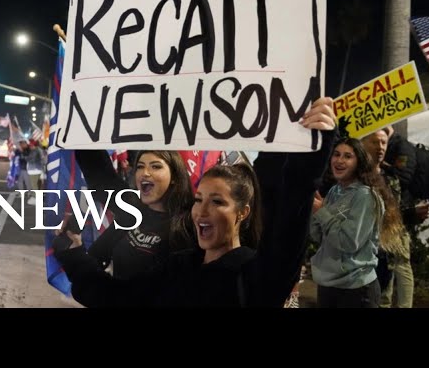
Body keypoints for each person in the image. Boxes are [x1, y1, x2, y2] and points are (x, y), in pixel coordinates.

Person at [53, 97, 336, 307]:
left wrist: (311, 144)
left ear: (243, 212)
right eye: (199, 199)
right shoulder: (180, 266)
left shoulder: (254, 274)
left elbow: (288, 209)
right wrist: (75, 256)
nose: (202, 211)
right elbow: (120, 297)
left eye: (217, 202)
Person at [69, 149, 194, 280]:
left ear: (174, 176)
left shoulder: (187, 226)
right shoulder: (131, 208)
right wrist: (73, 250)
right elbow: (100, 175)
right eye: (140, 166)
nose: (145, 173)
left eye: (156, 166)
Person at [309, 137, 384, 308]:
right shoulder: (334, 191)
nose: (339, 160)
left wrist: (321, 212)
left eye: (348, 156)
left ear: (359, 162)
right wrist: (313, 213)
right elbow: (318, 237)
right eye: (336, 154)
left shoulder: (365, 196)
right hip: (329, 285)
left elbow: (348, 242)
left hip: (356, 289)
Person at [362, 129, 412, 307]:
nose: (380, 147)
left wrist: (413, 212)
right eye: (375, 142)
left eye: (383, 143)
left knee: (385, 293)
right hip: (364, 247)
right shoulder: (355, 175)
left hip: (388, 243)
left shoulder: (391, 175)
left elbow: (395, 209)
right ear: (362, 144)